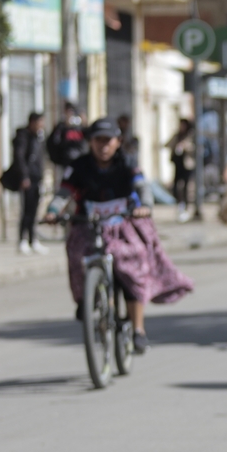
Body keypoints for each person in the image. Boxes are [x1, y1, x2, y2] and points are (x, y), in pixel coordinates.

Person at [43, 118, 193, 353]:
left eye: (108, 141)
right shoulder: (79, 166)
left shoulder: (127, 164)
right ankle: (85, 298)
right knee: (75, 253)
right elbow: (65, 192)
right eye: (97, 141)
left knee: (134, 264)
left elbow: (142, 187)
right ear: (90, 142)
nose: (103, 146)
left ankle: (138, 329)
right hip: (88, 225)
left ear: (118, 142)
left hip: (124, 224)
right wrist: (53, 211)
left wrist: (144, 206)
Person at [12, 112, 48, 255]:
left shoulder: (38, 137)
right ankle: (22, 240)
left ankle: (33, 240)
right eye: (40, 122)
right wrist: (24, 176)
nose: (42, 125)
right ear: (32, 122)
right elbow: (19, 157)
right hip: (27, 180)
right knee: (26, 211)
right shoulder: (23, 137)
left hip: (37, 178)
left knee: (34, 212)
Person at [165, 119, 196, 223]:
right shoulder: (177, 135)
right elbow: (168, 144)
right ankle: (180, 204)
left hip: (187, 165)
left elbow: (194, 147)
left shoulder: (190, 136)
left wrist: (185, 146)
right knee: (176, 185)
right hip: (177, 164)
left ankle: (186, 207)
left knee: (186, 186)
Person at [46, 102, 88, 168]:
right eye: (70, 112)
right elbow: (53, 142)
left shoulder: (82, 127)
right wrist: (64, 127)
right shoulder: (61, 126)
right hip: (66, 162)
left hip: (82, 161)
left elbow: (90, 138)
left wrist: (85, 124)